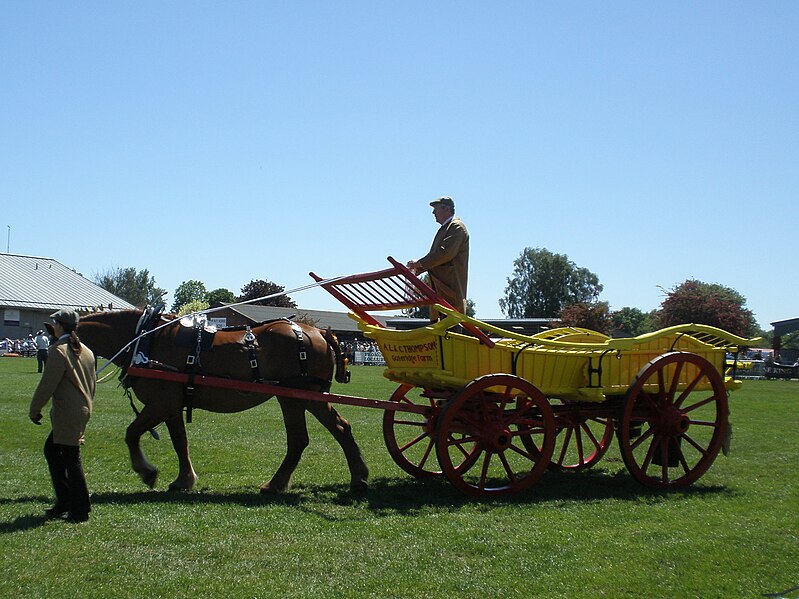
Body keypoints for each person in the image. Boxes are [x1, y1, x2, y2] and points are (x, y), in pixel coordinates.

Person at [29, 309, 96, 523]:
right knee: (52, 450)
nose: (53, 326)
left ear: (59, 326)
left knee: (70, 457)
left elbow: (47, 384)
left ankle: (80, 509)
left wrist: (34, 409)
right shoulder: (86, 351)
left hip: (68, 411)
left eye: (54, 323)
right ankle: (65, 501)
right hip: (82, 409)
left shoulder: (58, 351)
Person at [407, 196, 470, 320]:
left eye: (435, 209)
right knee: (439, 332)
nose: (433, 213)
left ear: (446, 209)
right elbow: (436, 258)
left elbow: (444, 254)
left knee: (451, 330)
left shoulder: (457, 227)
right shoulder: (446, 228)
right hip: (440, 293)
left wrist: (419, 264)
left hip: (450, 292)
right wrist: (416, 270)